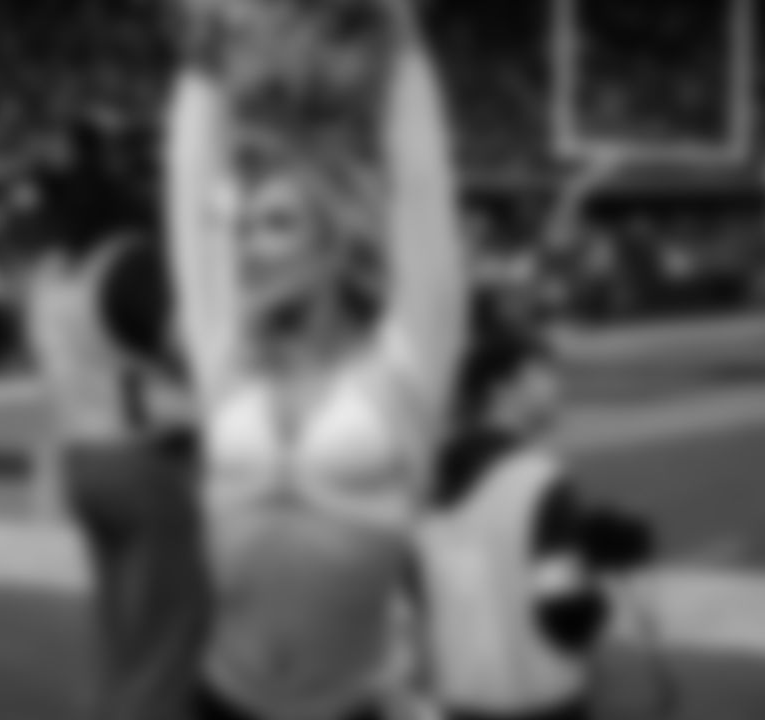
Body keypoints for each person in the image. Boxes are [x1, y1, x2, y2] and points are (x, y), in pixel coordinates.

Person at [165, 0, 467, 717]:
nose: (246, 246)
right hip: (221, 701)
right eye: (244, 227)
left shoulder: (406, 366)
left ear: (332, 236)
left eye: (275, 224)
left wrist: (405, 41)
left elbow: (422, 190)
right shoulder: (227, 360)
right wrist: (201, 64)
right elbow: (191, 203)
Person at [422, 293, 658, 720]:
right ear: (502, 389)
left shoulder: (428, 479)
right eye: (543, 373)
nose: (556, 386)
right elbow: (567, 612)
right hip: (542, 700)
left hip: (460, 698)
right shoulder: (538, 480)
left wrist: (577, 537)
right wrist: (596, 579)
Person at [24, 233, 208, 720]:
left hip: (79, 457)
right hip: (142, 454)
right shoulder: (128, 262)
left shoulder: (54, 272)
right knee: (166, 645)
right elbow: (189, 348)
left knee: (122, 641)